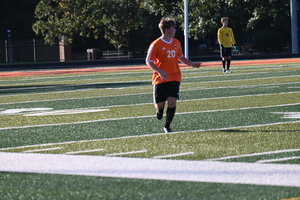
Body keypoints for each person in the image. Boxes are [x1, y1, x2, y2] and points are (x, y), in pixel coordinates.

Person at [145, 17, 202, 133]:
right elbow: (148, 61)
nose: (175, 30)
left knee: (172, 101)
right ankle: (160, 110)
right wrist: (160, 71)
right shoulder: (155, 44)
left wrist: (191, 64)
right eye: (173, 28)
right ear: (167, 30)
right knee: (159, 105)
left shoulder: (176, 42)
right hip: (160, 78)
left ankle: (167, 125)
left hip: (174, 76)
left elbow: (180, 57)